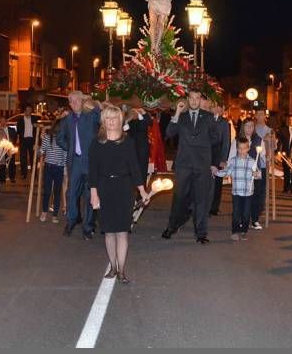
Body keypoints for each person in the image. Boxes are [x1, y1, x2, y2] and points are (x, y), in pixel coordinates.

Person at [88, 106, 149, 284]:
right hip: (104, 187)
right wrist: (94, 193)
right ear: (103, 121)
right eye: (108, 118)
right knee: (108, 232)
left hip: (124, 188)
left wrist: (142, 190)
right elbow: (93, 171)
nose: (112, 122)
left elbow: (135, 169)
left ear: (120, 121)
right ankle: (112, 267)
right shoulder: (96, 143)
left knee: (122, 232)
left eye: (115, 118)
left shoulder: (128, 142)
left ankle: (121, 270)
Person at [161, 90, 226, 244]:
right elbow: (169, 133)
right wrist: (176, 112)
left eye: (197, 98)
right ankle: (172, 226)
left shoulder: (209, 117)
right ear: (188, 99)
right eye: (192, 98)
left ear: (200, 100)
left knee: (201, 200)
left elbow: (216, 139)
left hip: (202, 165)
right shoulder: (181, 117)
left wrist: (211, 159)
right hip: (184, 164)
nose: (195, 101)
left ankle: (201, 233)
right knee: (179, 198)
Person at [57, 91, 101, 239]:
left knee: (89, 195)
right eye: (71, 101)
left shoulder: (91, 116)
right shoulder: (67, 120)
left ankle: (87, 228)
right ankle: (71, 221)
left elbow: (100, 114)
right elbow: (59, 138)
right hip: (75, 162)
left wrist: (91, 103)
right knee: (71, 194)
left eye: (77, 100)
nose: (74, 103)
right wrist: (70, 148)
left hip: (90, 162)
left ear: (82, 101)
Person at [215, 136, 261, 241]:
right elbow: (227, 172)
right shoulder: (233, 161)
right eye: (239, 148)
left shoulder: (252, 162)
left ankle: (244, 231)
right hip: (236, 192)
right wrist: (216, 172)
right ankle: (235, 231)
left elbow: (259, 174)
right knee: (236, 212)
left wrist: (256, 174)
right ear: (237, 148)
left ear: (248, 148)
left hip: (248, 193)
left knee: (246, 213)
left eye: (244, 148)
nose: (242, 151)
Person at [39, 118, 67, 224]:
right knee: (47, 191)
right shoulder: (48, 137)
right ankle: (44, 211)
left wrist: (64, 167)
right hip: (49, 167)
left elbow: (65, 154)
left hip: (59, 168)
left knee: (57, 192)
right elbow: (43, 149)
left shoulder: (63, 139)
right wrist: (38, 151)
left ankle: (55, 214)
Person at [209, 101, 232, 215]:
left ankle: (214, 207)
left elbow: (226, 142)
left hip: (218, 155)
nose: (216, 109)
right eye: (214, 106)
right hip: (206, 154)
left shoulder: (224, 123)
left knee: (217, 182)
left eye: (219, 106)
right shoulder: (206, 119)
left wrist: (223, 159)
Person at [16, 104, 39, 179]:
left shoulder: (34, 118)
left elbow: (38, 129)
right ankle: (24, 173)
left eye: (30, 110)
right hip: (23, 140)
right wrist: (18, 139)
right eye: (28, 110)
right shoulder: (20, 120)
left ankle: (34, 173)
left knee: (33, 157)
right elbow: (18, 130)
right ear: (25, 111)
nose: (29, 112)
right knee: (23, 157)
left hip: (32, 140)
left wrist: (36, 126)